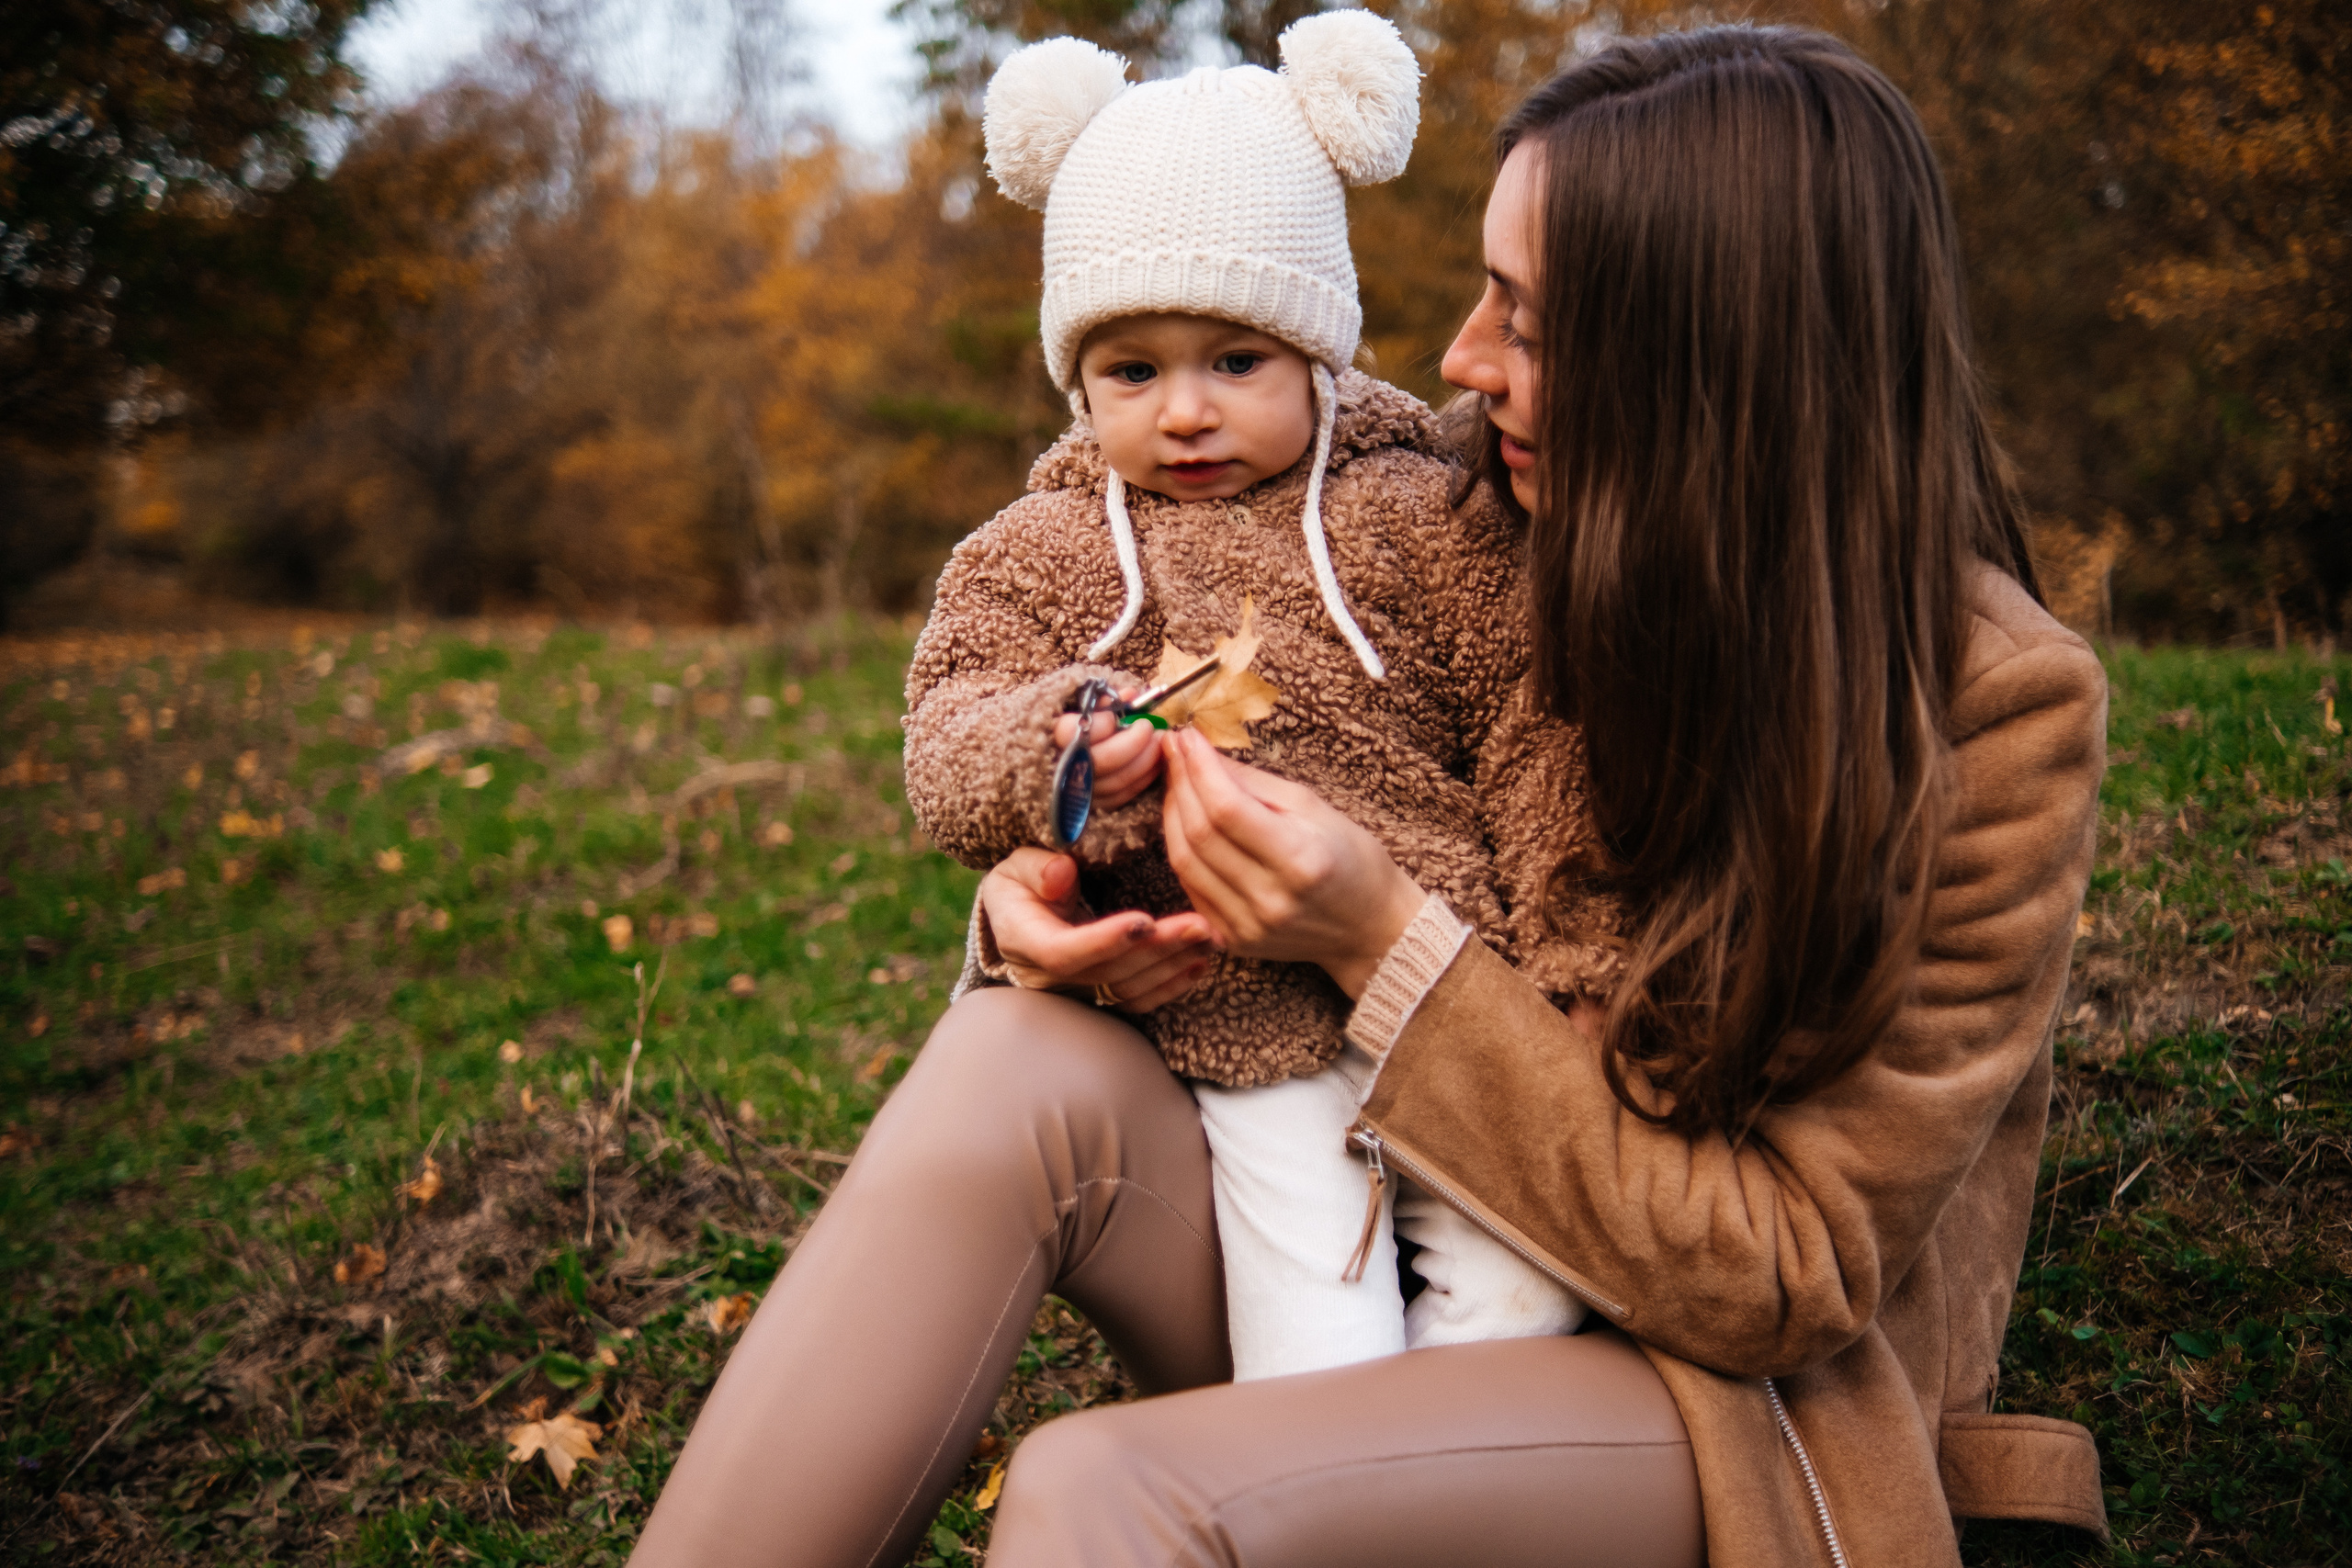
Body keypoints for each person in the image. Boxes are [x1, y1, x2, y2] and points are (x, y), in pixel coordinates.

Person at [630, 24, 2112, 1568]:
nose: (1464, 360)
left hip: (1712, 1401)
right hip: (1351, 1256)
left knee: (1105, 1488)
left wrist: (1377, 936)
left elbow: (1781, 1275)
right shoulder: (1460, 508)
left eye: (1530, 324)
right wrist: (1061, 903)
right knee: (1011, 1055)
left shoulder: (1989, 707)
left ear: (1712, 357)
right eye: (1486, 296)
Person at [901, 13, 1581, 1382]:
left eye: (1236, 360)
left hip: (1453, 989)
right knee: (1311, 1319)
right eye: (1131, 371)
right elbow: (945, 726)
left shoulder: (1426, 518)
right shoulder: (1045, 553)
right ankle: (1326, 1463)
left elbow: (1533, 735)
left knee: (1526, 1294)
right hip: (1239, 1017)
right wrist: (1060, 742)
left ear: (1317, 348)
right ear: (1078, 378)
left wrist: (1567, 967)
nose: (1186, 412)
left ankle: (1441, 1467)